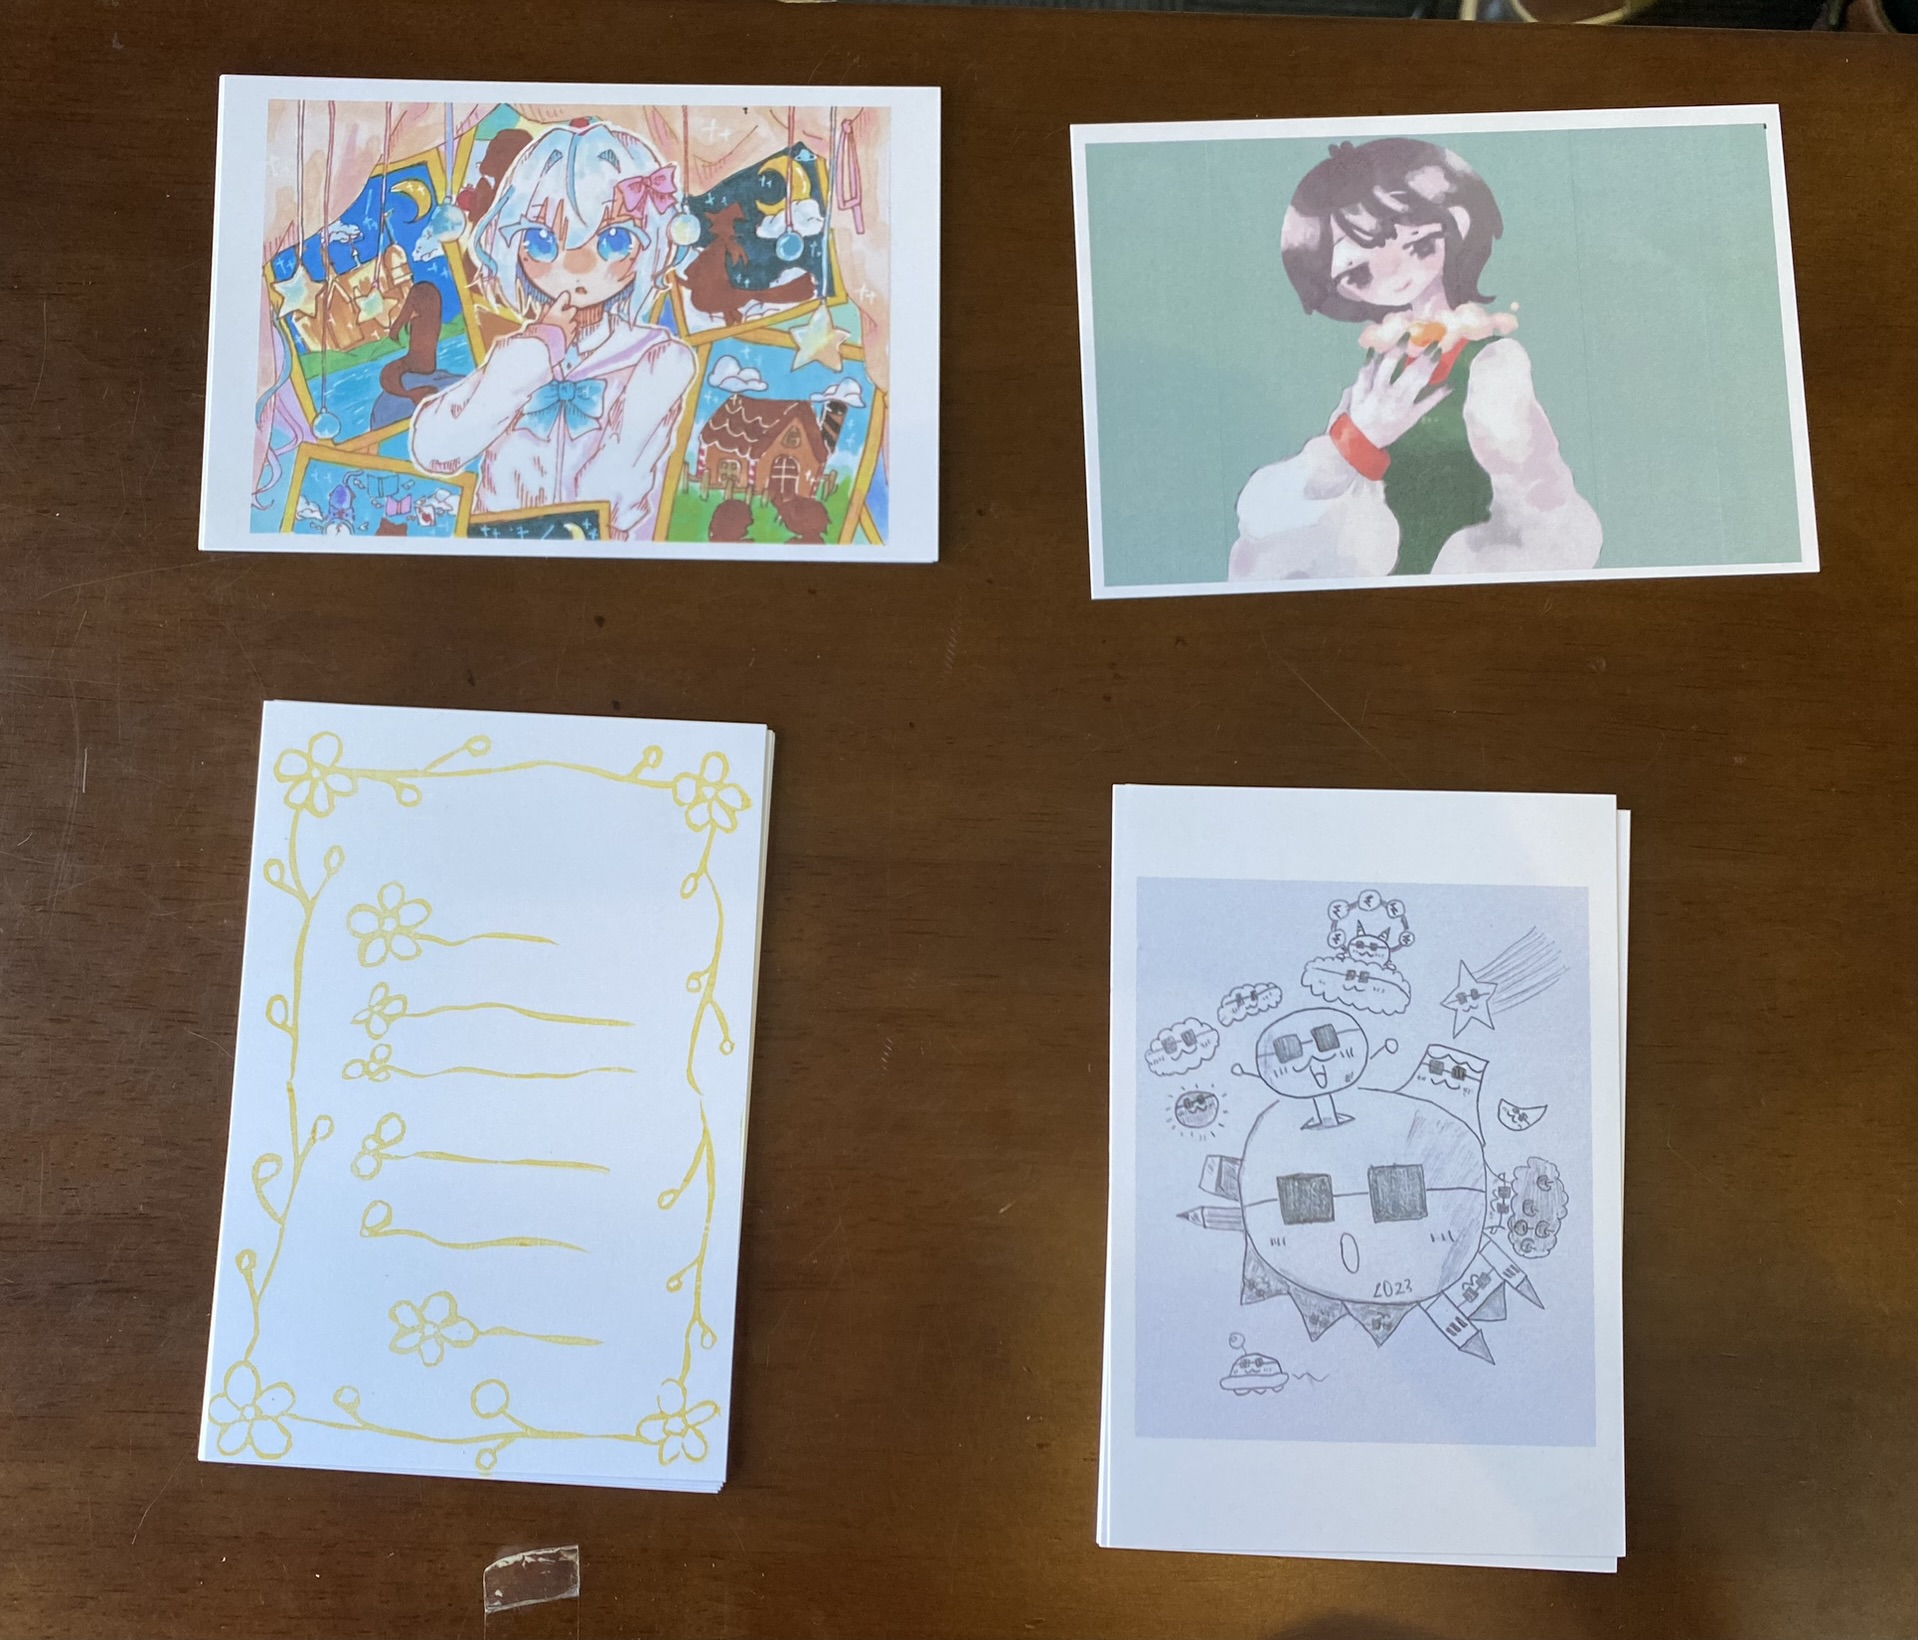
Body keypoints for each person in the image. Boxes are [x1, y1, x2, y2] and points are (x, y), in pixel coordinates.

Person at [1230, 138, 1599, 582]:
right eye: (1358, 272)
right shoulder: (1380, 361)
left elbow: (1537, 494)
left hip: (1476, 564)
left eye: (1419, 245)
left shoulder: (1490, 361)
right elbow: (1305, 497)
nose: (1396, 275)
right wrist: (1359, 438)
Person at [408, 119, 696, 541]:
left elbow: (608, 495)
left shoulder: (657, 361)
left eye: (614, 240)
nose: (576, 266)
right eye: (542, 241)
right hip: (496, 550)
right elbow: (434, 451)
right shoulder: (517, 355)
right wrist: (536, 354)